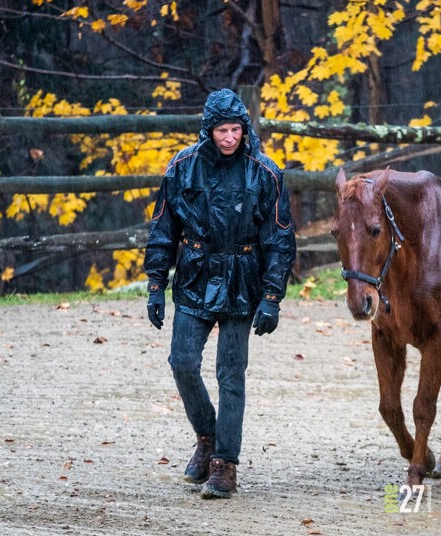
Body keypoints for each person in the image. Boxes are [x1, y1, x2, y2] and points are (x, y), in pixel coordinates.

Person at [144, 88, 297, 499]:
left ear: (244, 130)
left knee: (230, 374)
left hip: (242, 281)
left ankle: (225, 465)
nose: (229, 137)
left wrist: (271, 296)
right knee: (182, 362)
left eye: (235, 130)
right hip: (194, 277)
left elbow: (280, 240)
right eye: (221, 130)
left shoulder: (264, 173)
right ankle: (207, 440)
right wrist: (156, 285)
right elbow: (163, 230)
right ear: (207, 130)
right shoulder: (182, 168)